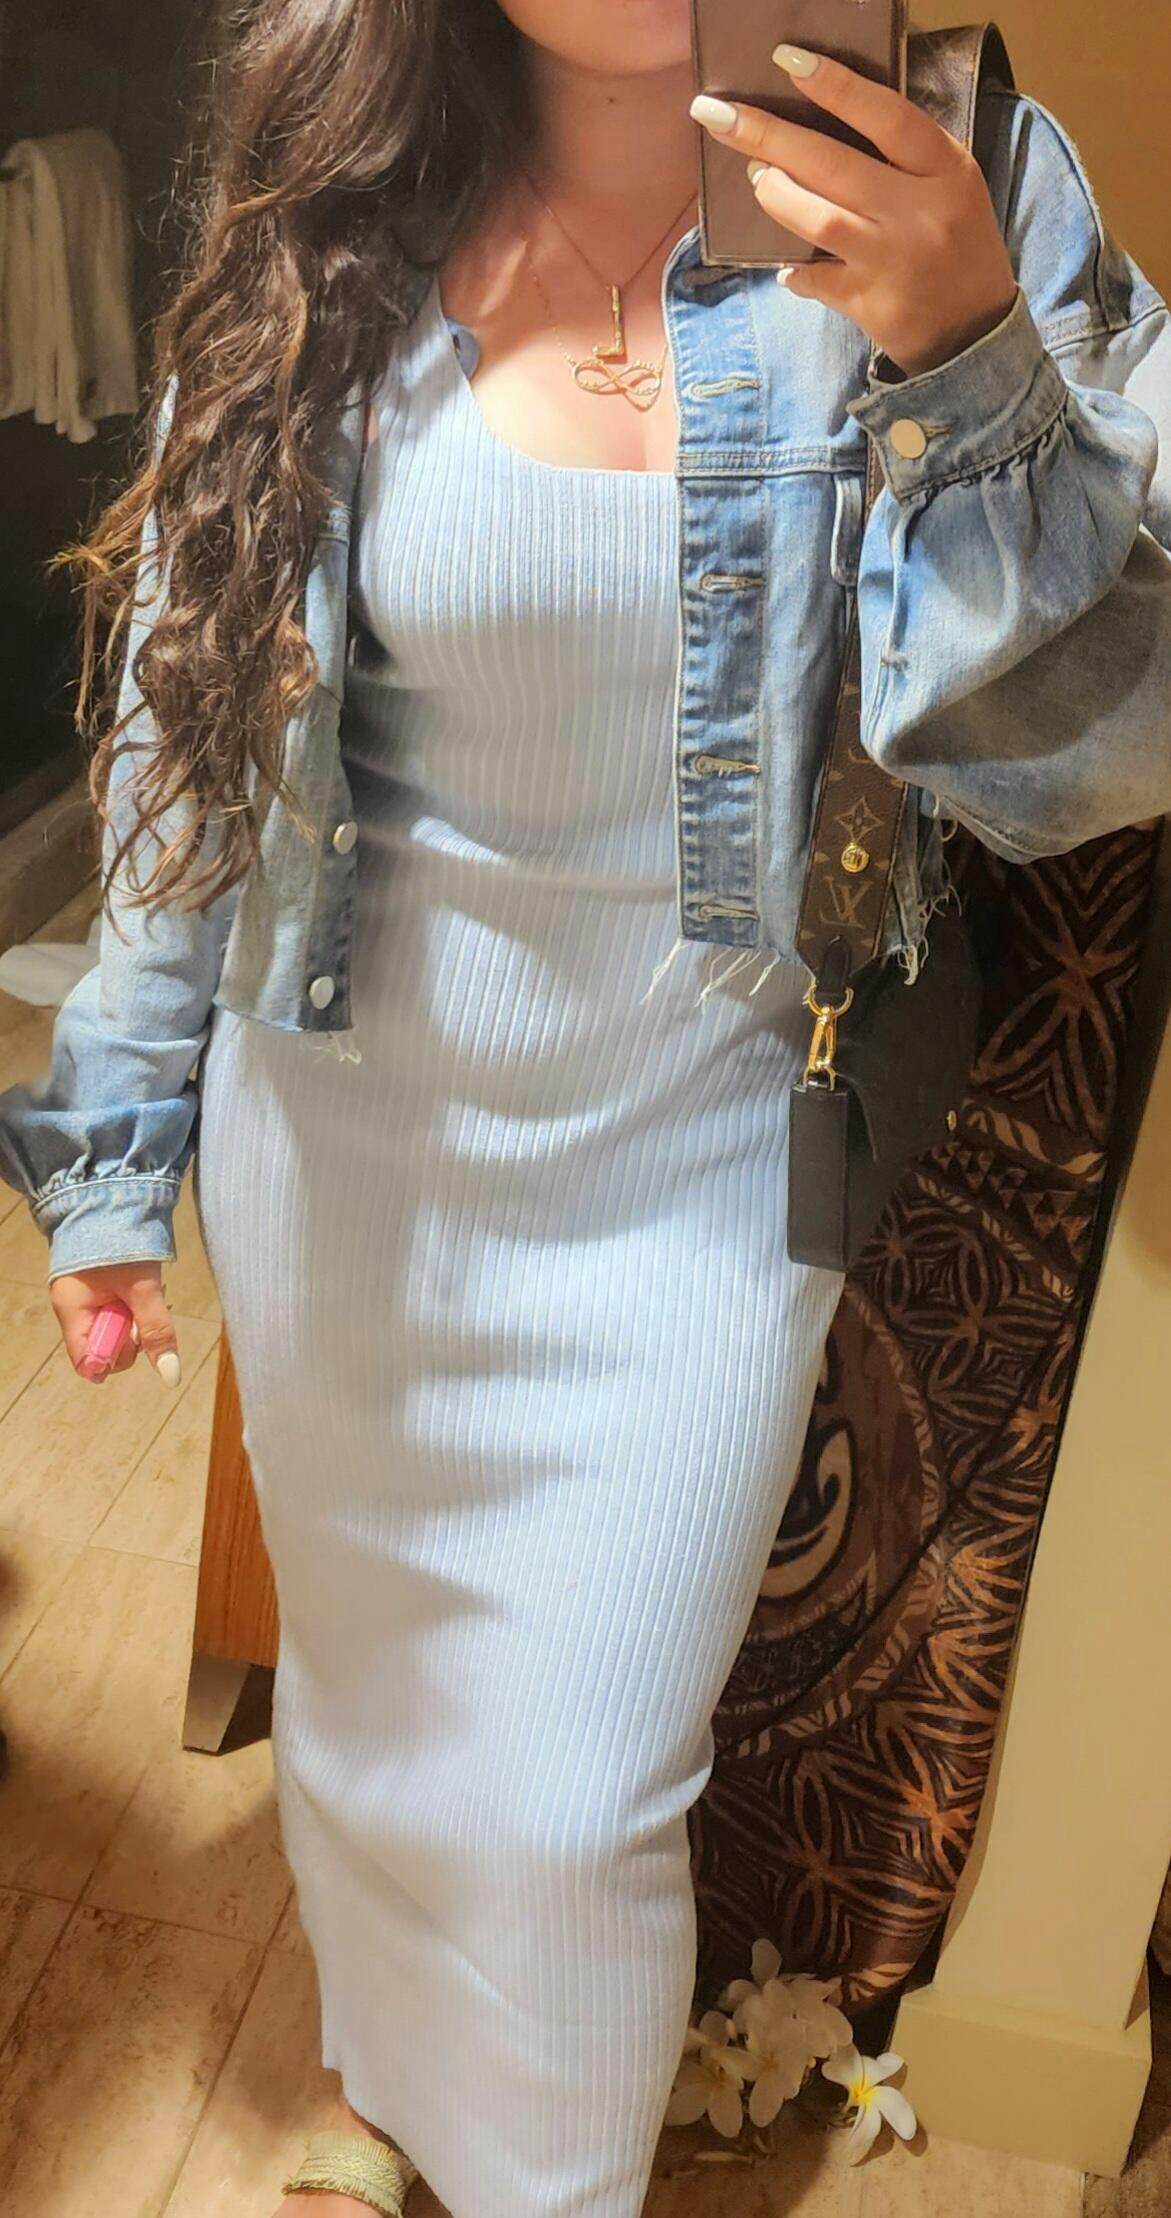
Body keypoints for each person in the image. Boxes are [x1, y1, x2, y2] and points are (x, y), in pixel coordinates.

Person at [1, 6, 1169, 2216]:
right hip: (341, 1154)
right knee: (370, 1714)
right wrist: (119, 1131)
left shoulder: (970, 179)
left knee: (575, 1805)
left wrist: (967, 359)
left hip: (694, 1170)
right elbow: (192, 696)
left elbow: (1114, 741)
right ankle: (375, 2082)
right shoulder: (336, 171)